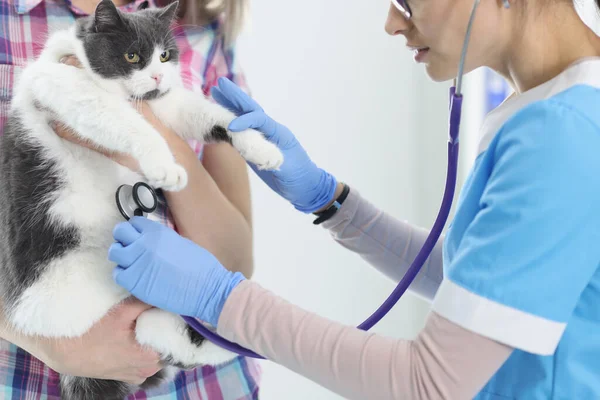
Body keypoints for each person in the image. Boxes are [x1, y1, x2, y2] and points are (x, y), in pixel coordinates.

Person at [99, 0, 600, 398]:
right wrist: (331, 201)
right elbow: (477, 282)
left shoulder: (564, 135)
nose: (390, 22)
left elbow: (428, 384)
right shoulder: (549, 107)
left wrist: (218, 297)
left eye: (407, 0)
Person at [0, 0, 262, 398]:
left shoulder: (201, 27)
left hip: (201, 385)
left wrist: (152, 135)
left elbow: (235, 262)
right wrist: (51, 343)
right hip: (29, 366)